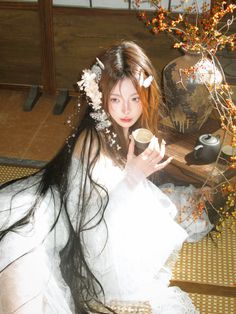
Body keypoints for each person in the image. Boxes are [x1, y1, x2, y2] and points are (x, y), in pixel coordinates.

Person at [0, 41, 213, 314]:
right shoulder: (91, 145)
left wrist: (135, 176)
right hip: (58, 221)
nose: (126, 110)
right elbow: (90, 226)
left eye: (135, 98)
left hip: (88, 206)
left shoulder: (122, 127)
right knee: (20, 283)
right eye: (115, 99)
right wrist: (133, 179)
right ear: (101, 98)